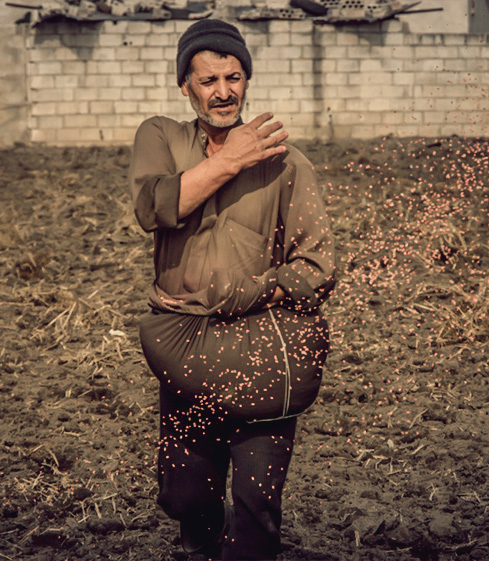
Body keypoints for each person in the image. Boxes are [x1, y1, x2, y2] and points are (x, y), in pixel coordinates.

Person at [128, 19, 336, 561]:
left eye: (234, 77)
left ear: (247, 81)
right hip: (187, 348)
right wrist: (230, 160)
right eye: (208, 80)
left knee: (254, 506)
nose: (223, 91)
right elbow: (153, 208)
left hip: (261, 350)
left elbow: (316, 264)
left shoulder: (289, 165)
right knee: (183, 493)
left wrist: (257, 291)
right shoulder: (161, 138)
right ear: (185, 87)